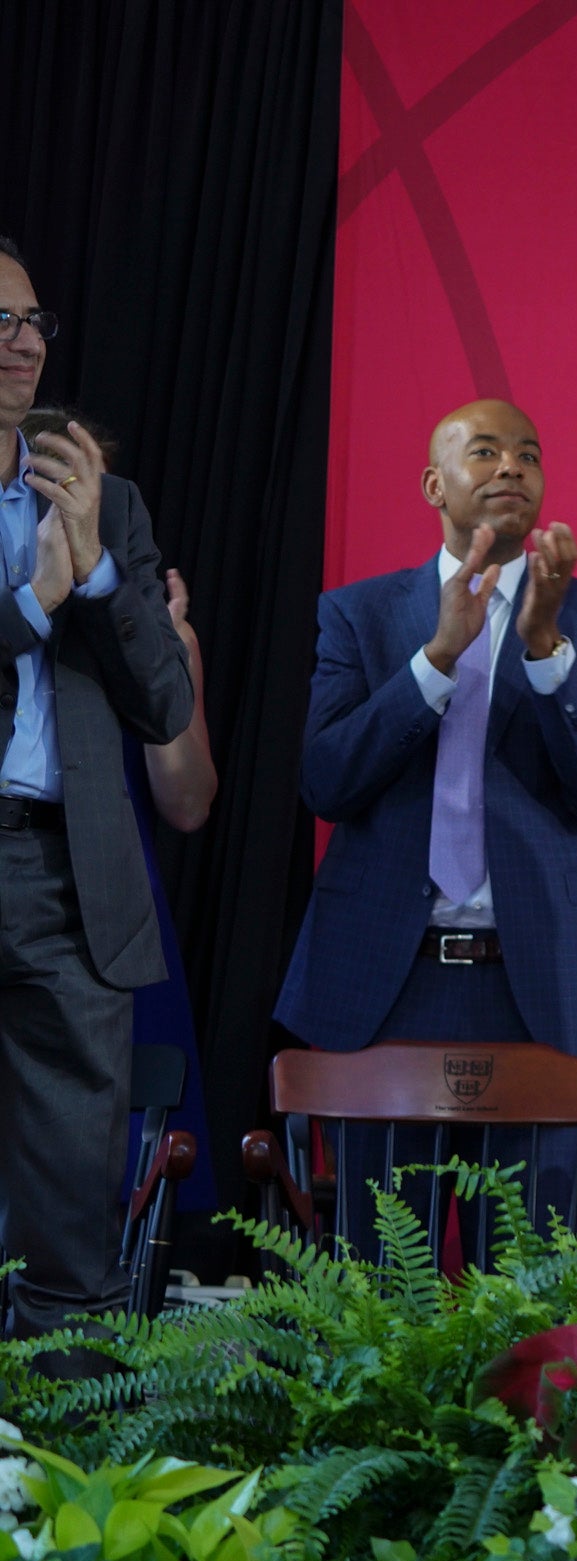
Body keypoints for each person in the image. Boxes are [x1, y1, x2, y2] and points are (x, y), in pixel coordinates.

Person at [276, 399, 577, 1264]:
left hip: (539, 981)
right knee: (378, 1283)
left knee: (525, 1291)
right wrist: (436, 660)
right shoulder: (359, 616)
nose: (513, 467)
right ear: (434, 485)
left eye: (529, 454)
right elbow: (326, 781)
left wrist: (548, 648)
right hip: (389, 980)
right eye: (486, 452)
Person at [0, 238, 195, 1346]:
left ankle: (58, 1497)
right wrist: (37, 598)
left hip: (70, 872)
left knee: (72, 1241)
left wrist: (106, 575)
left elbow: (164, 705)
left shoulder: (97, 495)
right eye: (0, 321)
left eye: (33, 324)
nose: (22, 343)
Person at [24, 405, 219, 1231]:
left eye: (91, 485)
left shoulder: (137, 617)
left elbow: (186, 801)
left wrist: (168, 647)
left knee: (97, 1179)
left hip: (103, 902)